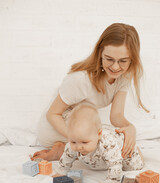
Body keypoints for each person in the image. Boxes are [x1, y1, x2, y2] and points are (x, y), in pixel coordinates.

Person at [31, 23, 148, 162]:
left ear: (132, 60)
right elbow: (52, 114)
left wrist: (130, 128)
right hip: (57, 126)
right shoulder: (81, 79)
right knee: (105, 141)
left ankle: (62, 149)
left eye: (123, 61)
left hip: (80, 127)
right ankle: (65, 146)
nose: (115, 67)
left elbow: (116, 116)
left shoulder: (124, 77)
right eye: (109, 59)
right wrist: (77, 138)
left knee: (131, 151)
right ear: (100, 53)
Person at [53, 103, 144, 181]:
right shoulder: (72, 144)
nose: (79, 147)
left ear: (99, 134)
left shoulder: (108, 145)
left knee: (132, 166)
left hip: (123, 151)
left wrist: (110, 182)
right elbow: (66, 160)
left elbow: (115, 166)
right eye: (73, 142)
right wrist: (61, 173)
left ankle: (138, 152)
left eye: (84, 142)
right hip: (101, 158)